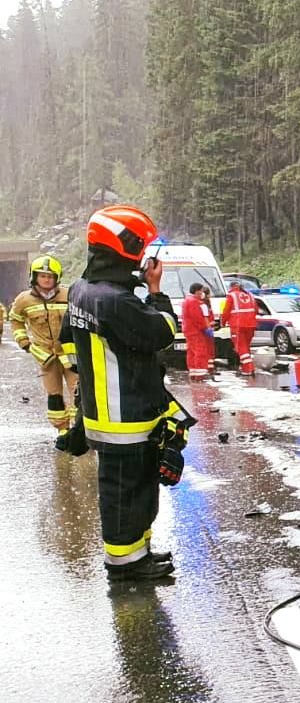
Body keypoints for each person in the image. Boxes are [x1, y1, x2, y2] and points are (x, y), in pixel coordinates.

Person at [61, 204, 184, 584]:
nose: (147, 257)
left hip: (112, 410)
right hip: (123, 417)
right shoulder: (114, 300)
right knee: (124, 495)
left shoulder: (83, 290)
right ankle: (125, 566)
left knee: (139, 491)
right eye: (142, 248)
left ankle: (139, 553)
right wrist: (156, 291)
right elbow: (162, 332)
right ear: (124, 246)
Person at [9, 254, 78, 433]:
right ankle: (62, 431)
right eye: (42, 276)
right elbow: (15, 320)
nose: (46, 279)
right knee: (54, 395)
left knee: (78, 392)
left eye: (50, 276)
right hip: (46, 356)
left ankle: (80, 430)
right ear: (34, 277)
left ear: (57, 277)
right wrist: (24, 342)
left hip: (70, 354)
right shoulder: (23, 300)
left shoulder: (70, 294)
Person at [219, 279, 258, 373]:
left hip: (238, 325)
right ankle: (246, 367)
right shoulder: (250, 295)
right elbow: (256, 309)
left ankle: (249, 368)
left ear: (232, 287)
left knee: (241, 348)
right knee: (246, 347)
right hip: (251, 325)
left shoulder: (231, 295)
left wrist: (223, 322)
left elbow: (226, 311)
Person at [180, 282, 216, 378]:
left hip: (189, 330)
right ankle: (199, 375)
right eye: (200, 291)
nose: (202, 293)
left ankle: (193, 372)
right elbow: (198, 318)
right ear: (197, 291)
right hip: (196, 331)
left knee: (191, 352)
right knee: (200, 352)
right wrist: (205, 328)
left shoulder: (187, 300)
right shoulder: (194, 302)